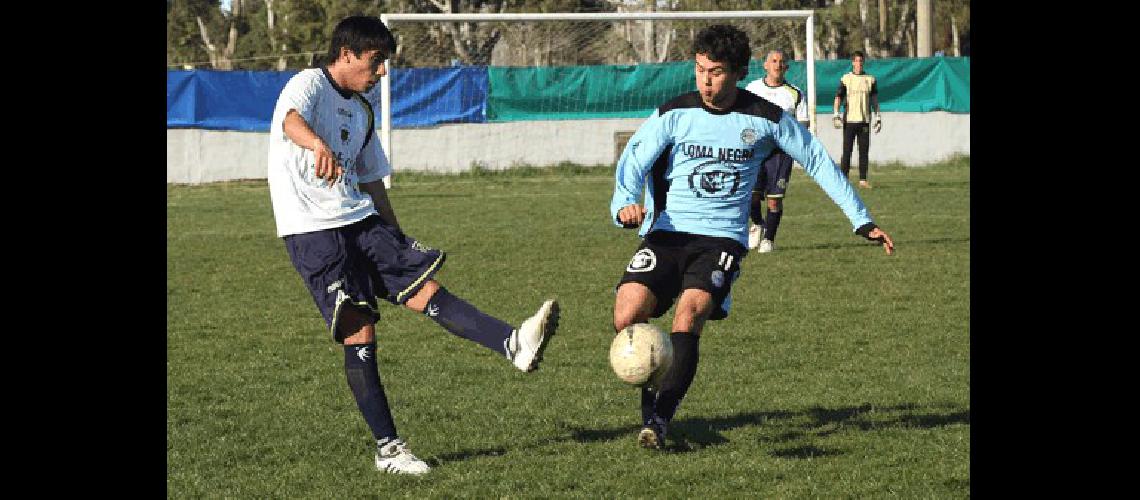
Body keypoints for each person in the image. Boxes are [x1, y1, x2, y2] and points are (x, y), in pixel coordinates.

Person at [266, 16, 560, 475]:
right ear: (346, 54)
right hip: (312, 228)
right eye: (376, 61)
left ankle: (512, 343)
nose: (382, 72)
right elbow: (289, 121)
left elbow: (373, 183)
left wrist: (396, 235)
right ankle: (389, 450)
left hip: (361, 219)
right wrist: (316, 144)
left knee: (428, 291)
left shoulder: (363, 112)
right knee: (359, 329)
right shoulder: (309, 84)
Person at [609, 25, 894, 450]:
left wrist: (860, 219)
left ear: (739, 72)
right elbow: (634, 158)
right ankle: (655, 403)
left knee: (688, 317)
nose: (706, 81)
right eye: (701, 70)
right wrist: (625, 204)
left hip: (721, 240)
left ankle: (660, 421)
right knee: (626, 316)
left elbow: (817, 161)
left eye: (717, 72)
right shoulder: (674, 113)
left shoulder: (765, 118)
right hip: (667, 233)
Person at [743, 49, 810, 254]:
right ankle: (757, 223)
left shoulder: (795, 93)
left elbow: (803, 124)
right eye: (773, 61)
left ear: (786, 67)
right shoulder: (752, 89)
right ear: (765, 65)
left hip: (781, 154)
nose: (777, 65)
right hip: (755, 151)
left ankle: (769, 239)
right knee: (751, 197)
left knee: (774, 199)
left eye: (781, 62)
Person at [832, 50, 881, 188]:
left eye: (861, 61)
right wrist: (835, 114)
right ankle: (843, 180)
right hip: (849, 121)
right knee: (847, 151)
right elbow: (838, 97)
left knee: (863, 152)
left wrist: (878, 116)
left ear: (863, 62)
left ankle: (863, 180)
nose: (858, 63)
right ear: (852, 62)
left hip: (864, 121)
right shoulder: (846, 79)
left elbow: (874, 100)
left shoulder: (870, 79)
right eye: (856, 61)